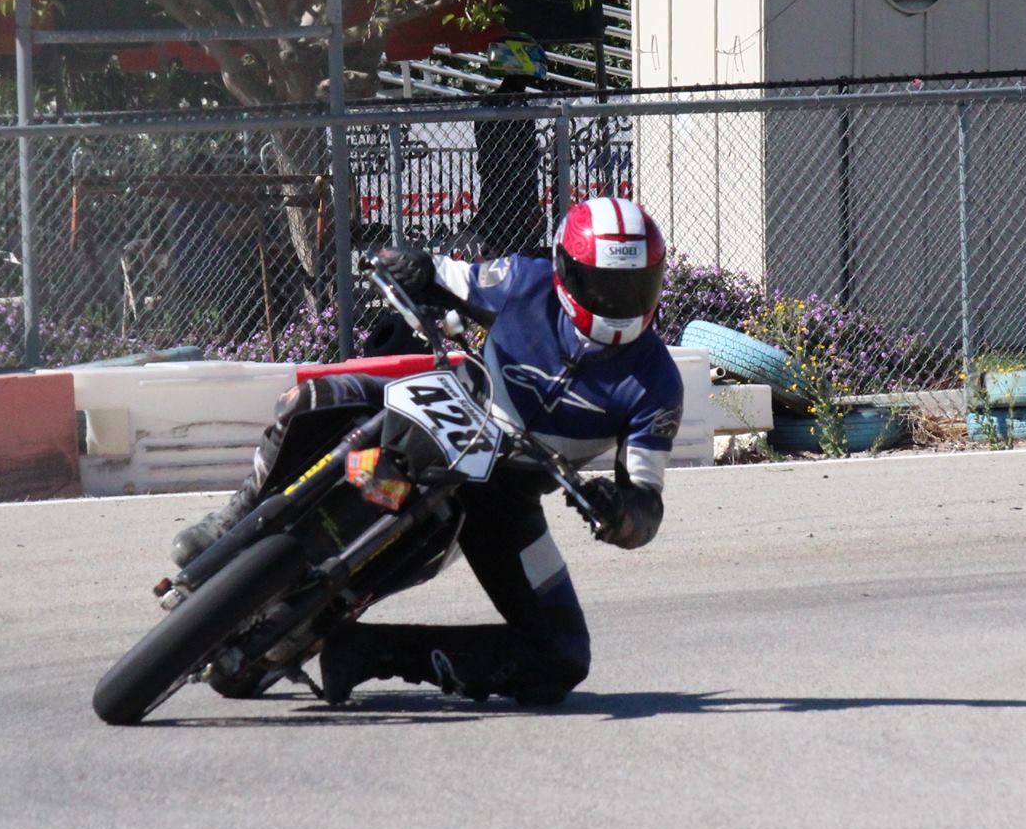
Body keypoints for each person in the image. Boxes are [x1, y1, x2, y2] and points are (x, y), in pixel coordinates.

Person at [170, 196, 684, 708]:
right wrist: (411, 265)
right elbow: (447, 274)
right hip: (445, 405)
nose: (620, 300)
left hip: (506, 494)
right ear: (564, 271)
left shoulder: (657, 383)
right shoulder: (524, 282)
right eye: (604, 283)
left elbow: (645, 499)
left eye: (636, 285)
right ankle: (232, 518)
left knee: (564, 655)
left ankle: (376, 651)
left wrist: (620, 515)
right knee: (309, 400)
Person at [473, 36, 548, 258]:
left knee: (502, 248)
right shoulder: (511, 105)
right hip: (512, 191)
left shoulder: (492, 103)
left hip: (498, 190)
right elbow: (515, 156)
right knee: (514, 251)